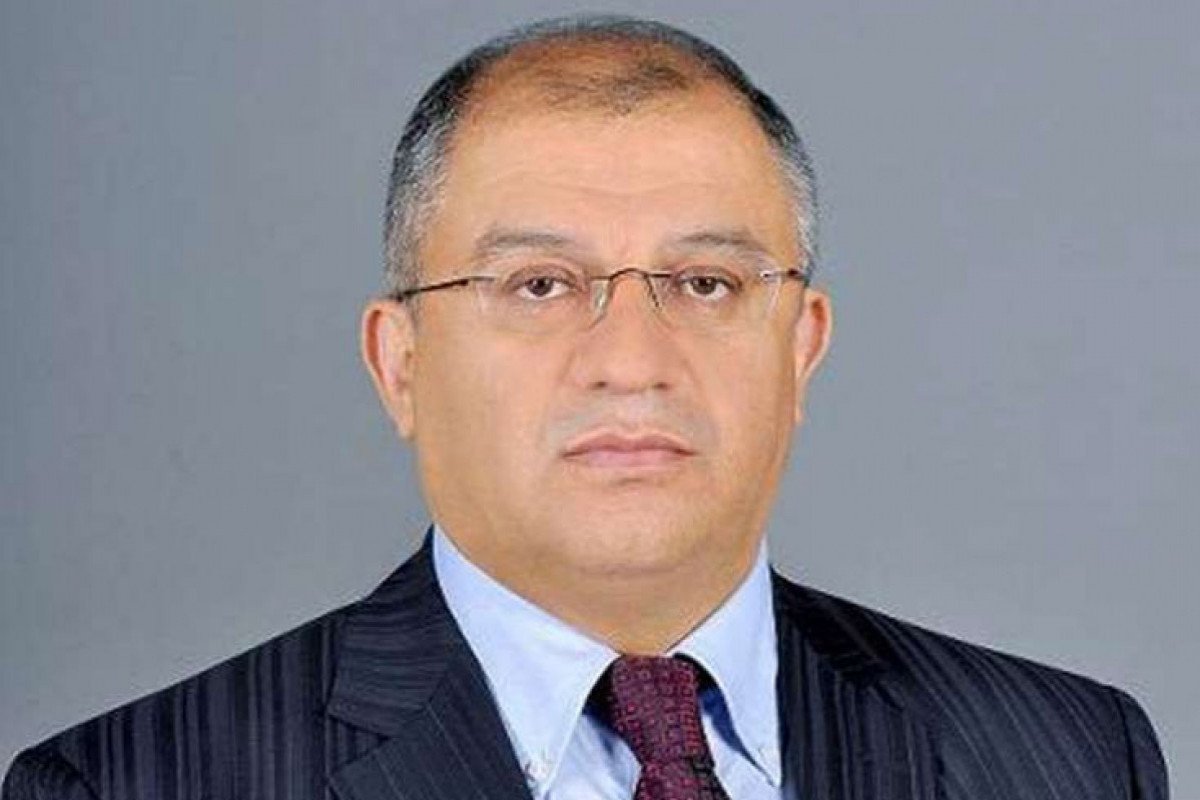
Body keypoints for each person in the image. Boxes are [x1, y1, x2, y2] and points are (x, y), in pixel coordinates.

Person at [2, 14, 1168, 800]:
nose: (629, 360)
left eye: (705, 283)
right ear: (400, 363)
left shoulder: (1069, 756)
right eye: (540, 285)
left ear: (802, 347)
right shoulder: (134, 780)